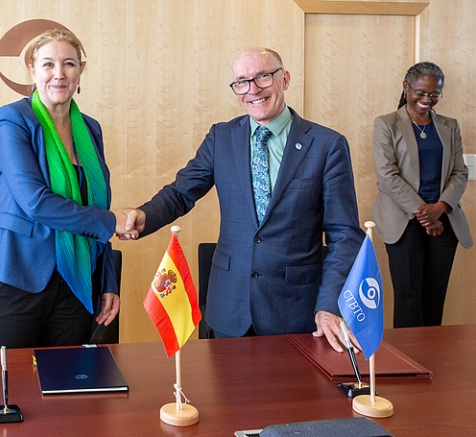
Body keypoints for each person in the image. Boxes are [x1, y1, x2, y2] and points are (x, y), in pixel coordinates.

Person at [119, 48, 365, 351]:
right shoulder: (221, 138)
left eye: (263, 76)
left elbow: (345, 235)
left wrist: (329, 305)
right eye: (242, 82)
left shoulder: (327, 145)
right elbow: (181, 193)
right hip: (230, 307)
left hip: (297, 311)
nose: (253, 89)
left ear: (284, 79)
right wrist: (144, 216)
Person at [0, 29, 134, 350]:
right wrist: (112, 221)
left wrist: (107, 279)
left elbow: (96, 206)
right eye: (48, 64)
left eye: (69, 64)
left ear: (80, 71)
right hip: (16, 275)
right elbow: (35, 202)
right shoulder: (12, 120)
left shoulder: (90, 128)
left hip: (76, 280)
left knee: (67, 386)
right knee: (11, 388)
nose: (59, 74)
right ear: (32, 70)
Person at [372, 62, 472, 328]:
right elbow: (387, 174)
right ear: (406, 87)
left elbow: (460, 172)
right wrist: (423, 212)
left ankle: (432, 361)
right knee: (408, 298)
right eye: (421, 92)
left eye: (434, 94)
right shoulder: (386, 124)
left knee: (434, 296)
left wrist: (440, 208)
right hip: (402, 222)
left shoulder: (450, 126)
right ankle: (408, 364)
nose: (428, 99)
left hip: (444, 221)